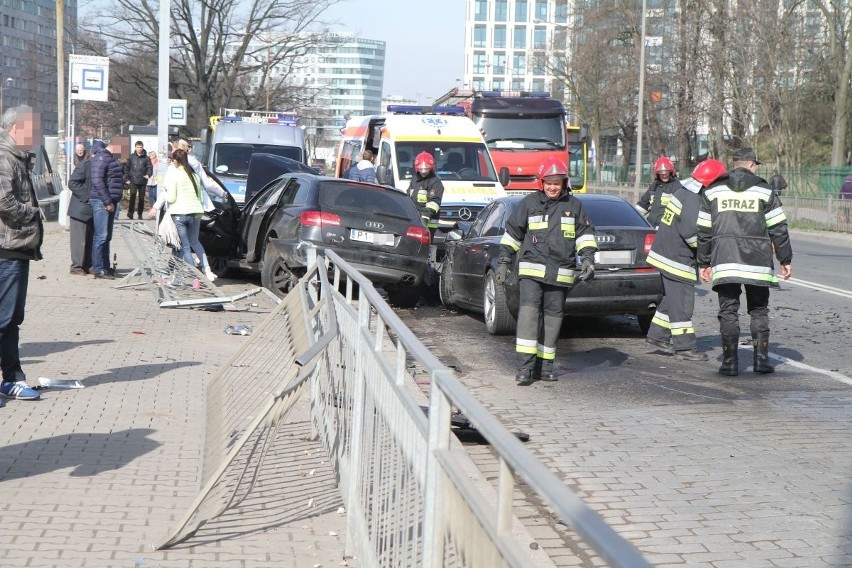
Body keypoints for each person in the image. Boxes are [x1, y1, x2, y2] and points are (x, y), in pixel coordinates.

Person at [496, 157, 597, 386]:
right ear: (541, 182)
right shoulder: (529, 204)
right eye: (549, 182)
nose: (553, 187)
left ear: (564, 183)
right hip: (531, 273)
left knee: (552, 322)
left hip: (560, 274)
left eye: (557, 183)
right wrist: (504, 261)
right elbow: (512, 234)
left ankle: (545, 366)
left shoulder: (574, 206)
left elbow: (585, 235)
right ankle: (525, 368)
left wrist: (589, 259)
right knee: (529, 319)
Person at [697, 148, 793, 376]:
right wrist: (785, 259)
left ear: (735, 164)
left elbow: (703, 231)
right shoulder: (764, 190)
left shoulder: (713, 191)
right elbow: (779, 229)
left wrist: (704, 262)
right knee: (759, 310)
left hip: (724, 259)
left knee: (728, 311)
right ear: (751, 165)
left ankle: (730, 363)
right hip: (757, 260)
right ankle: (761, 361)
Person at [645, 159, 728, 361]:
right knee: (683, 303)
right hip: (677, 259)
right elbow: (692, 234)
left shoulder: (684, 191)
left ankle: (657, 335)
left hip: (667, 253)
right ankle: (684, 347)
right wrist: (705, 259)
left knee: (672, 299)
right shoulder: (694, 200)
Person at [0, 106, 43, 401]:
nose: (37, 135)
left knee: (12, 318)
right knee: (4, 319)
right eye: (32, 129)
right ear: (16, 128)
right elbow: (3, 199)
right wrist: (31, 214)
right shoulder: (5, 157)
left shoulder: (19, 158)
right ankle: (12, 377)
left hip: (19, 249)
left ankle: (12, 379)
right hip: (8, 249)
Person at [156, 148, 211, 279]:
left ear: (176, 161)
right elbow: (200, 197)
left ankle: (194, 276)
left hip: (180, 214)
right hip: (196, 213)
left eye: (173, 160)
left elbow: (172, 198)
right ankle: (207, 268)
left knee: (185, 246)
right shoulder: (194, 175)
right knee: (195, 242)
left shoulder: (175, 175)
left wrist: (164, 191)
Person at [89, 140, 125, 279]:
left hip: (110, 201)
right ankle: (98, 269)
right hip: (101, 201)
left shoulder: (110, 158)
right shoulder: (101, 158)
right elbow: (97, 180)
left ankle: (105, 266)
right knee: (101, 236)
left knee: (107, 237)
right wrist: (107, 201)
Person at [407, 151, 444, 241]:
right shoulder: (415, 179)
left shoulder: (435, 182)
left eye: (426, 169)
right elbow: (409, 196)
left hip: (428, 222)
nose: (423, 172)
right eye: (421, 169)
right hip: (415, 218)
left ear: (431, 168)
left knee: (425, 245)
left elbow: (434, 202)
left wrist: (425, 217)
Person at [67, 154, 94, 276]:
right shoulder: (85, 165)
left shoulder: (100, 165)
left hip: (92, 209)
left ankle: (88, 265)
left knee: (91, 239)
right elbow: (72, 183)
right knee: (79, 241)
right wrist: (86, 197)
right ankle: (76, 266)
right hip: (80, 209)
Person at [637, 156, 679, 227]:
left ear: (671, 172)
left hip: (669, 230)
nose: (664, 175)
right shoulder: (654, 187)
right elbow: (642, 206)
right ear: (657, 174)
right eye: (661, 173)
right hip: (652, 227)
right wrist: (633, 218)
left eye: (666, 172)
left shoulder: (677, 187)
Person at [125, 141, 152, 219]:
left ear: (142, 147)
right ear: (135, 147)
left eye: (140, 147)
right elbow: (127, 168)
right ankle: (130, 213)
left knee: (141, 198)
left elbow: (149, 167)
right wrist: (127, 178)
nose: (139, 149)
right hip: (133, 180)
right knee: (132, 197)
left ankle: (140, 214)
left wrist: (148, 174)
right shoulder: (131, 157)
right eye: (138, 147)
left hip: (142, 180)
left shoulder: (146, 158)